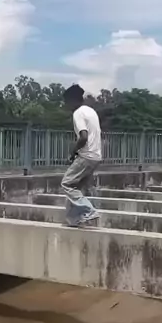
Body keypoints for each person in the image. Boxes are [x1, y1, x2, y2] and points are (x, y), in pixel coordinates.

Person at [61, 84, 102, 227]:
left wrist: (73, 152)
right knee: (75, 188)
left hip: (86, 156)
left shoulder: (78, 113)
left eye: (67, 102)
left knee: (67, 184)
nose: (67, 106)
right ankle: (73, 219)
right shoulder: (91, 111)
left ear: (72, 100)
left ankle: (89, 211)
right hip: (96, 156)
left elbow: (83, 136)